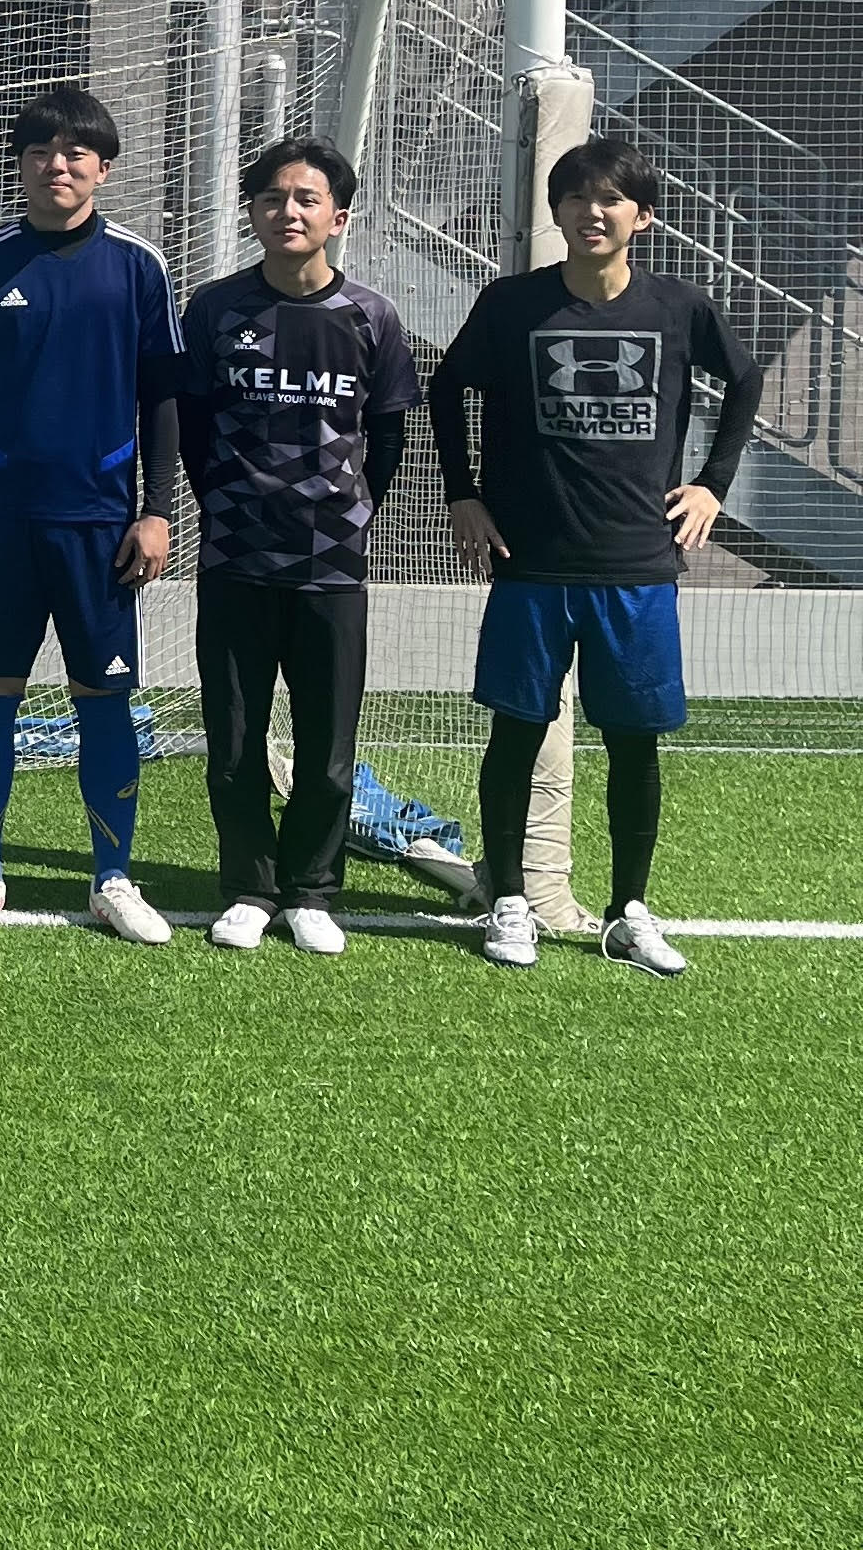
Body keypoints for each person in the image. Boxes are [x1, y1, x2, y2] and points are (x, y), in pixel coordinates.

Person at [431, 136, 763, 977]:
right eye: (577, 197)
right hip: (531, 563)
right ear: (557, 211)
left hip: (636, 566)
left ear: (641, 217)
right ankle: (510, 899)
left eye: (611, 198)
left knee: (634, 743)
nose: (592, 211)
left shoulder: (679, 307)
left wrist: (712, 484)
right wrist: (463, 493)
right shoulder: (513, 304)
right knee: (516, 733)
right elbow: (444, 386)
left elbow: (745, 378)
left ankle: (628, 912)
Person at [0, 84, 185, 946]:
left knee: (103, 698)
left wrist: (157, 511)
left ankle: (113, 878)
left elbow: (161, 399)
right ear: (21, 164)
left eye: (76, 153)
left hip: (102, 526)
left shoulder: (138, 267)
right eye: (40, 151)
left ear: (103, 169)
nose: (57, 166)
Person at [171, 136, 421, 958]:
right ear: (252, 211)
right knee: (235, 740)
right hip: (235, 559)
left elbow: (387, 438)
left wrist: (346, 516)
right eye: (274, 197)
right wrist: (226, 506)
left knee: (328, 745)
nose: (289, 211)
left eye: (307, 199)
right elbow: (192, 426)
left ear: (338, 218)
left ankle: (311, 889)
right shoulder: (215, 309)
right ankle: (249, 886)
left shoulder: (372, 318)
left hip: (333, 567)